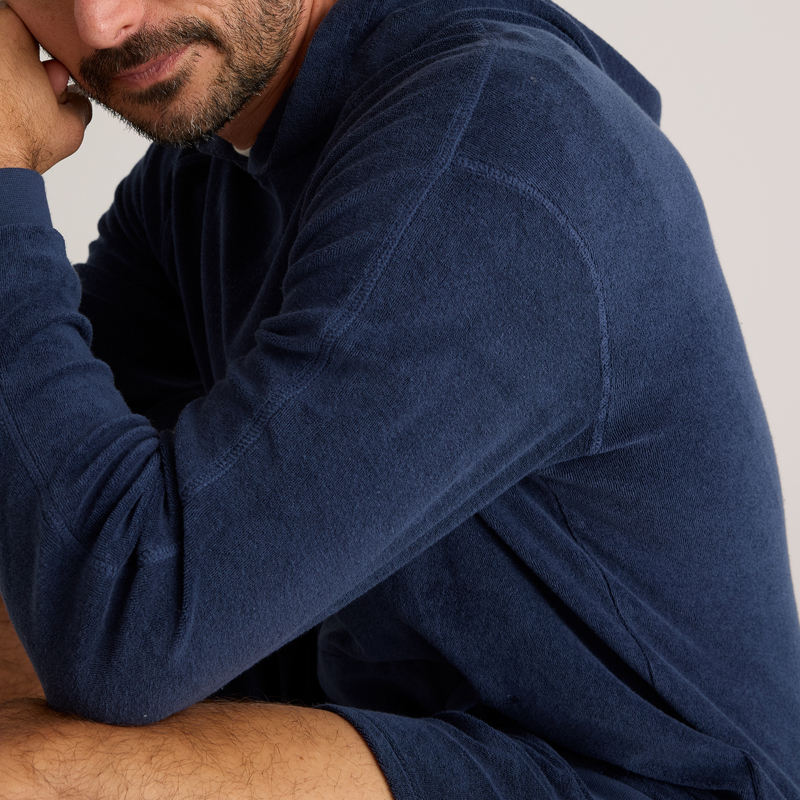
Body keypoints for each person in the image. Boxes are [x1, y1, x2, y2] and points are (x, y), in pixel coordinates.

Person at [0, 0, 797, 797]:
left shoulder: (494, 148)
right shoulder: (207, 181)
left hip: (644, 780)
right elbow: (43, 488)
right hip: (424, 732)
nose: (101, 22)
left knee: (40, 774)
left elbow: (123, 628)